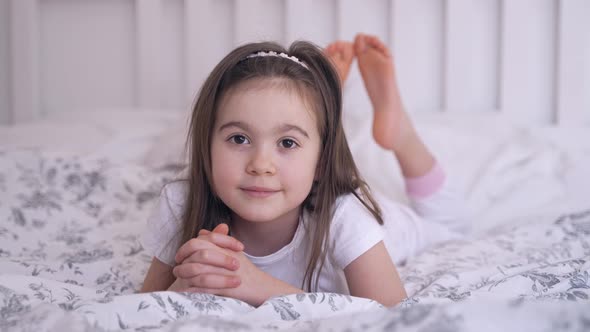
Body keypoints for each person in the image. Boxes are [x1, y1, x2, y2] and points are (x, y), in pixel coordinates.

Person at [139, 33, 467, 308]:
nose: (260, 165)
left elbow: (391, 317)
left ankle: (401, 134)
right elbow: (141, 307)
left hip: (390, 225)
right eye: (239, 138)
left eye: (287, 143)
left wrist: (260, 285)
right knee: (299, 119)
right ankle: (316, 108)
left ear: (322, 163)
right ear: (206, 148)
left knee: (452, 223)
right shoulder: (182, 203)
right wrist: (182, 286)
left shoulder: (346, 215)